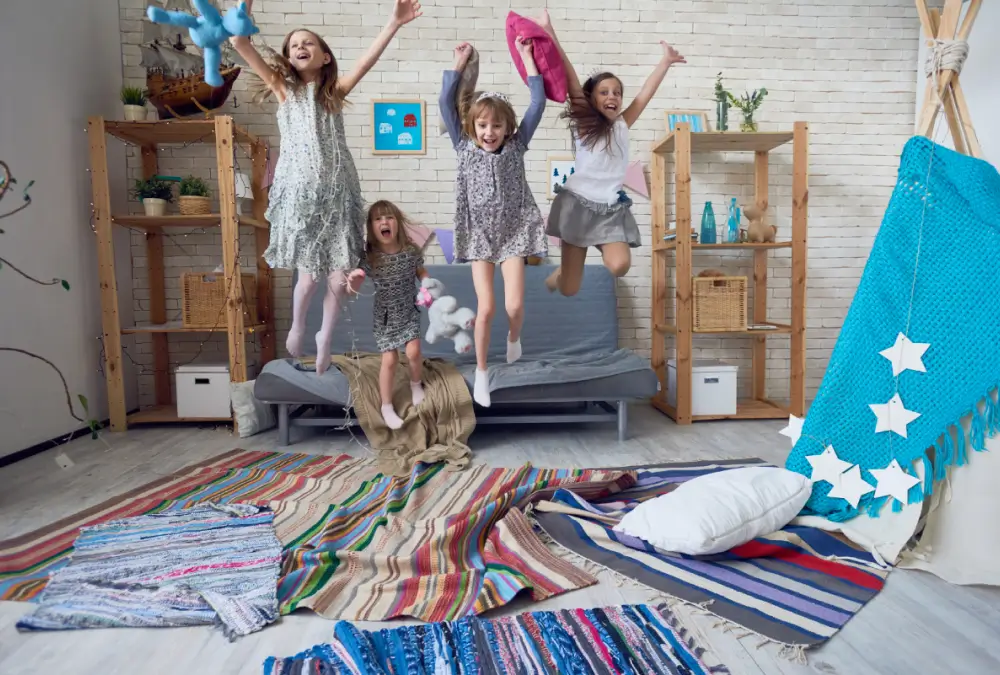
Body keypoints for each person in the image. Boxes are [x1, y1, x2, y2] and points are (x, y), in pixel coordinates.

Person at [230, 0, 422, 375]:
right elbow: (240, 42)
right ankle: (300, 323)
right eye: (293, 45)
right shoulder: (283, 90)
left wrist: (394, 23)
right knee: (307, 278)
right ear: (288, 57)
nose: (300, 47)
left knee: (337, 275)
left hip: (339, 194)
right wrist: (245, 6)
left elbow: (366, 61)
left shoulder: (333, 95)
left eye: (308, 43)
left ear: (325, 56)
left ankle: (324, 337)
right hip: (301, 196)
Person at [529, 10, 686, 296]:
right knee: (569, 289)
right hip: (577, 206)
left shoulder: (623, 124)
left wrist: (665, 62)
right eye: (604, 92)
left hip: (610, 209)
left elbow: (644, 94)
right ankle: (560, 275)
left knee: (619, 265)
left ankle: (575, 266)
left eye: (616, 92)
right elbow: (570, 75)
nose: (612, 97)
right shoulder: (585, 126)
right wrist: (549, 32)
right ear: (591, 99)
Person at [439, 38, 547, 408]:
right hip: (479, 235)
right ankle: (482, 373)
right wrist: (458, 62)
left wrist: (528, 56)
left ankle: (514, 338)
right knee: (486, 308)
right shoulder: (463, 146)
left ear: (507, 128)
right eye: (483, 125)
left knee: (514, 306)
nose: (489, 132)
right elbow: (444, 103)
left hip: (515, 231)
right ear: (472, 127)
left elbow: (538, 103)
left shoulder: (517, 146)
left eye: (497, 126)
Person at [351, 201, 428, 430]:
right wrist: (354, 280)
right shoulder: (370, 256)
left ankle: (416, 385)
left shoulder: (410, 250)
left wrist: (427, 284)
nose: (384, 222)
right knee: (390, 359)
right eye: (378, 219)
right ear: (372, 227)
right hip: (384, 315)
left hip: (408, 309)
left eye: (389, 217)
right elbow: (357, 281)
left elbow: (421, 270)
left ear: (397, 223)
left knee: (413, 351)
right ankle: (386, 406)